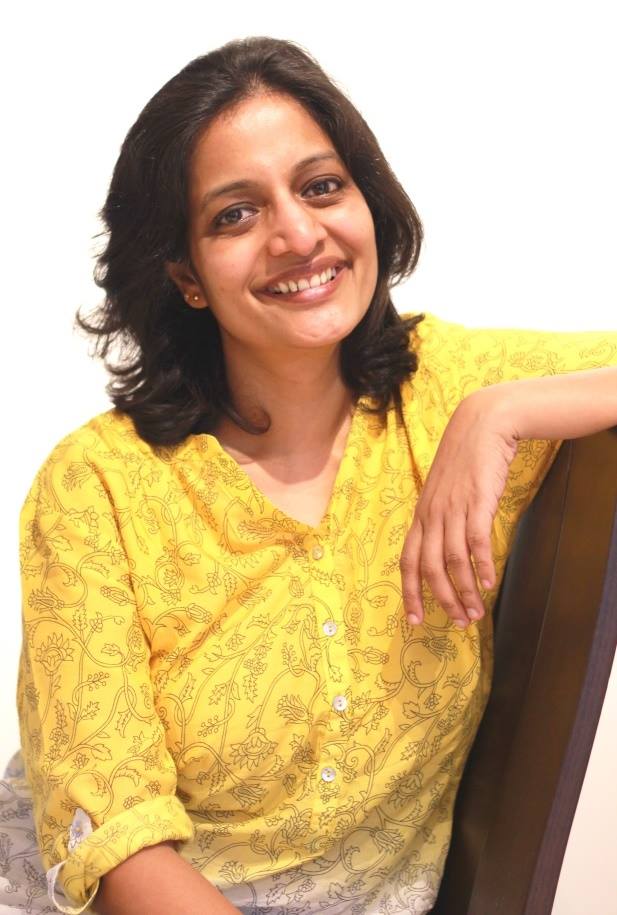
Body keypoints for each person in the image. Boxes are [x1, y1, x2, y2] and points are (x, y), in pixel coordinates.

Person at [4, 35, 617, 915]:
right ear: (184, 275)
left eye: (321, 186)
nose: (297, 235)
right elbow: (117, 842)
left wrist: (503, 409)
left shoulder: (449, 394)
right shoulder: (95, 484)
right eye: (235, 215)